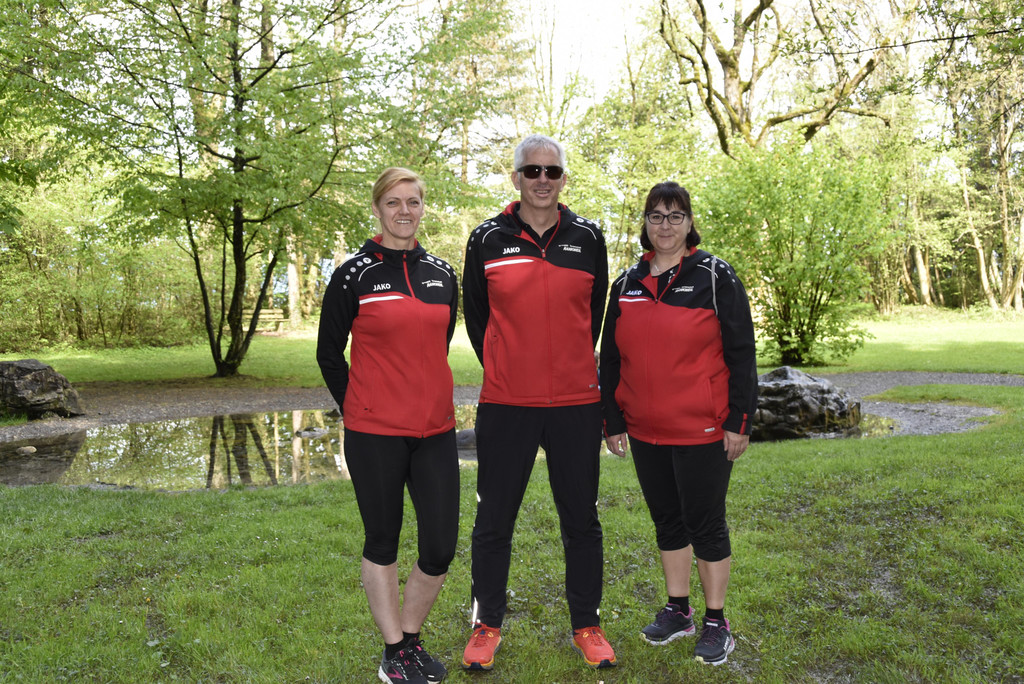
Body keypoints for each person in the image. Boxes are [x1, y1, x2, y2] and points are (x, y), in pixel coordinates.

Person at [460, 134, 615, 670]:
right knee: (493, 520)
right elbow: (477, 317)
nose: (542, 180)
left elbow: (593, 315)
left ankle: (587, 625)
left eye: (552, 171)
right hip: (508, 402)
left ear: (564, 178)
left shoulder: (589, 237)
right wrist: (507, 365)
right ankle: (486, 626)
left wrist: (570, 364)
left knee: (581, 520)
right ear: (516, 178)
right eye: (532, 171)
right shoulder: (486, 238)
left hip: (575, 403)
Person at [600, 181, 758, 667]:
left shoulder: (714, 275)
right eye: (656, 215)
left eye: (675, 215)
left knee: (705, 523)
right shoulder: (625, 284)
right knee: (667, 521)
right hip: (645, 429)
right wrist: (612, 418)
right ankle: (678, 609)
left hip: (703, 429)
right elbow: (611, 358)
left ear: (689, 222)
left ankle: (716, 620)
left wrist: (740, 420)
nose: (664, 225)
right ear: (645, 223)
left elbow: (742, 352)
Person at [317, 168, 459, 684]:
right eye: (394, 202)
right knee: (383, 538)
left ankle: (411, 638)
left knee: (440, 546)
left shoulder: (442, 274)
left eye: (413, 202)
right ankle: (394, 650)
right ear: (377, 209)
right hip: (374, 432)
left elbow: (437, 346)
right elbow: (329, 353)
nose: (404, 211)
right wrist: (359, 406)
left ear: (423, 208)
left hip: (436, 431)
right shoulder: (352, 274)